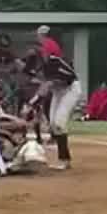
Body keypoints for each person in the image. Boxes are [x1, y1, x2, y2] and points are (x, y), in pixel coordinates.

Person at [24, 41, 83, 170]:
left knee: (59, 123)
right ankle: (64, 159)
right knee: (52, 124)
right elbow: (41, 83)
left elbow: (52, 85)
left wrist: (31, 104)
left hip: (71, 89)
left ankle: (65, 160)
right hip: (58, 91)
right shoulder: (35, 63)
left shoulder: (54, 63)